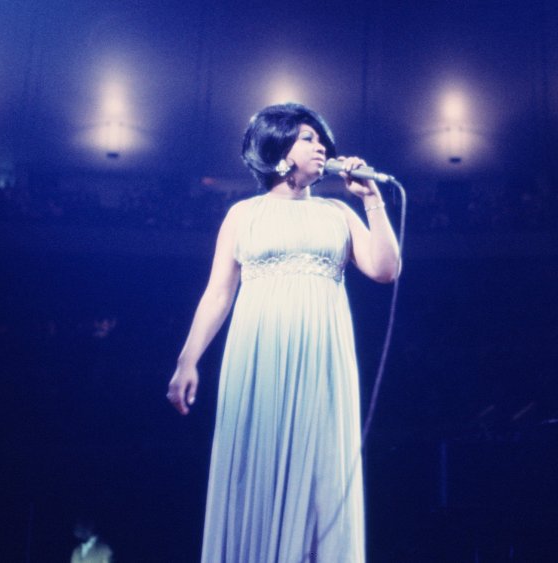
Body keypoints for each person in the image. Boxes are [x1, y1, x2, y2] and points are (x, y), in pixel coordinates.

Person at [166, 103, 400, 562]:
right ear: (278, 147)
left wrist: (370, 198)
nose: (322, 146)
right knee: (256, 465)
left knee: (320, 471)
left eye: (322, 139)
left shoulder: (337, 213)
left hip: (322, 358)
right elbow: (217, 295)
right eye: (308, 137)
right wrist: (187, 360)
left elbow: (386, 269)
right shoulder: (243, 215)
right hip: (258, 354)